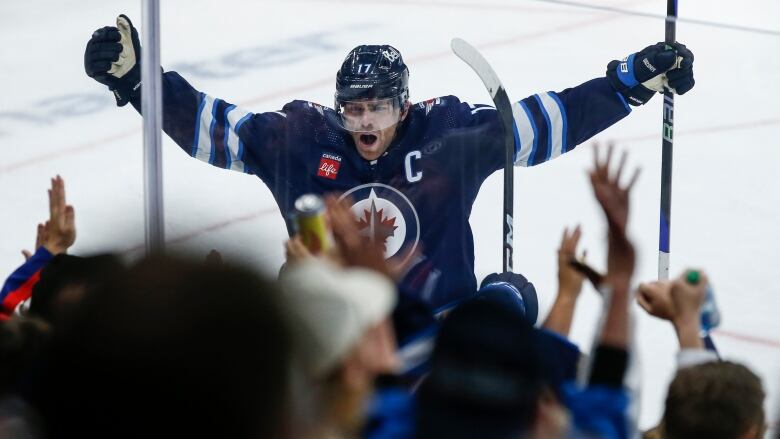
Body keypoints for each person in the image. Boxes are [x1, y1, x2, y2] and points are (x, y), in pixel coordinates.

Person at [84, 15, 695, 309]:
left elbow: (545, 121)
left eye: (379, 108)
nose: (366, 122)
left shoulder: (450, 137)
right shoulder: (299, 142)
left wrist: (627, 84)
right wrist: (141, 82)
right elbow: (212, 125)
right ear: (338, 110)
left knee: (507, 305)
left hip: (438, 332)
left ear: (404, 106)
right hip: (329, 332)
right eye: (354, 109)